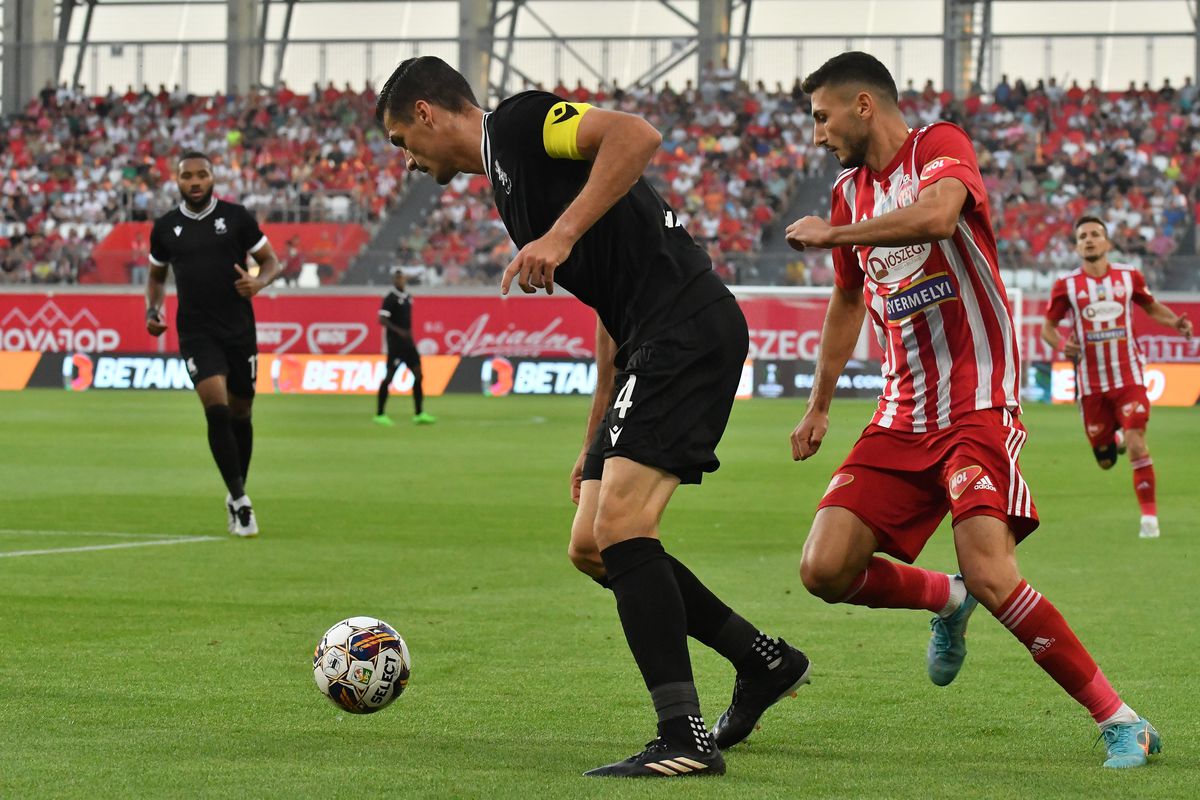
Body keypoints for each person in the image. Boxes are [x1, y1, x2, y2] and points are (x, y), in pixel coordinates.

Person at [376, 56, 810, 778]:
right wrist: (592, 442)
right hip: (648, 341)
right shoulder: (508, 190)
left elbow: (635, 135)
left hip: (687, 329)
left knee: (623, 530)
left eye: (400, 140)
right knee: (591, 543)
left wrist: (563, 234)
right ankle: (762, 661)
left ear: (426, 113)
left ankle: (683, 737)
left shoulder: (516, 125)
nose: (407, 160)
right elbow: (612, 311)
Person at [784, 52, 1159, 769]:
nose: (817, 134)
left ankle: (1122, 720)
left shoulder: (941, 146)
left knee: (993, 571)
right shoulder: (845, 193)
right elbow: (846, 299)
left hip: (976, 402)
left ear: (863, 105)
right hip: (899, 414)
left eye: (821, 116)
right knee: (823, 569)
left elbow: (937, 217)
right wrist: (819, 404)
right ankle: (944, 600)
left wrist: (834, 237)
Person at [145, 152, 281, 538]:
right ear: (177, 181)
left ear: (212, 178)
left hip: (239, 330)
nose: (195, 181)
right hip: (195, 332)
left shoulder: (238, 218)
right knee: (216, 409)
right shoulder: (165, 228)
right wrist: (152, 311)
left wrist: (259, 282)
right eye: (187, 176)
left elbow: (271, 261)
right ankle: (240, 501)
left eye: (201, 174)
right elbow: (156, 278)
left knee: (241, 413)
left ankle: (236, 486)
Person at [1041, 216, 1193, 538]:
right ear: (1077, 245)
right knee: (1106, 460)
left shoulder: (1129, 277)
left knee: (1139, 444)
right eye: (1083, 236)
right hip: (1090, 383)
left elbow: (1151, 308)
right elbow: (1047, 330)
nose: (1090, 240)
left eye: (1096, 234)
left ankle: (1149, 519)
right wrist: (1061, 345)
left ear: (1107, 243)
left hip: (1129, 375)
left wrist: (1175, 323)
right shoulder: (1066, 286)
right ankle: (1116, 439)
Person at [375, 268, 435, 425]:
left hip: (409, 345)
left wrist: (407, 334)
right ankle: (380, 414)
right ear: (394, 280)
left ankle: (419, 413)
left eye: (401, 278)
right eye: (397, 278)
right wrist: (399, 331)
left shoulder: (408, 297)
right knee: (389, 378)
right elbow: (382, 319)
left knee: (419, 375)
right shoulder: (390, 298)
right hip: (395, 345)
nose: (399, 280)